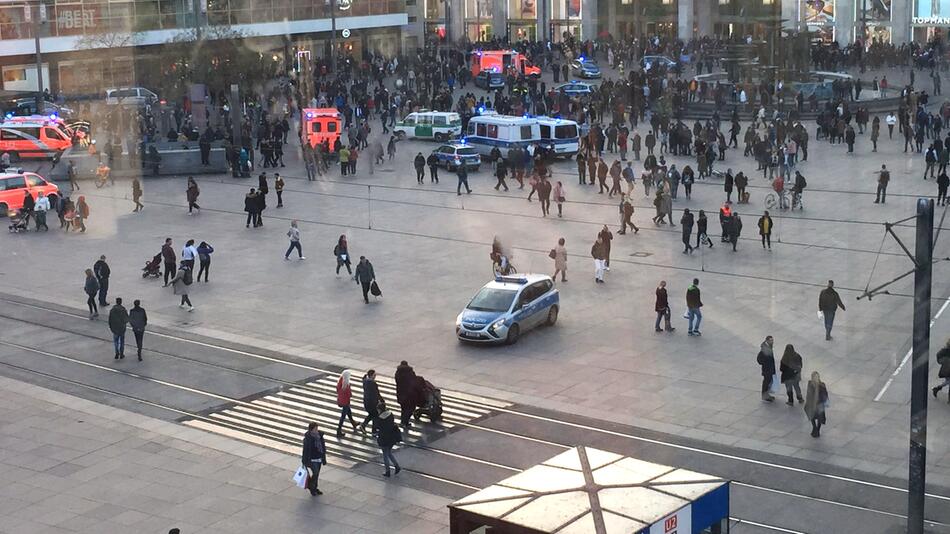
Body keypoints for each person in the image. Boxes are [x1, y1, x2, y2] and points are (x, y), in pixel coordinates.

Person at [301, 422, 327, 495]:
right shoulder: (308, 439)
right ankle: (311, 487)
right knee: (315, 473)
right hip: (312, 459)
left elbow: (323, 447)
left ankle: (314, 488)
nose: (316, 430)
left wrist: (323, 457)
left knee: (317, 474)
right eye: (315, 429)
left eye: (317, 428)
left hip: (319, 458)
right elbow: (305, 450)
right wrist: (304, 461)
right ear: (311, 430)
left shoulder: (320, 436)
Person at [376, 410, 402, 478]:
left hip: (384, 438)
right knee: (389, 452)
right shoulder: (390, 414)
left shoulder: (380, 419)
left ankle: (388, 471)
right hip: (392, 437)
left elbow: (378, 427)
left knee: (385, 455)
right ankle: (397, 466)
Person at [804, 372, 829, 437]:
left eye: (817, 377)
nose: (816, 378)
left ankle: (817, 429)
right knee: (812, 416)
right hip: (812, 404)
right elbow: (808, 393)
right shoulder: (810, 384)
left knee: (820, 418)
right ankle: (814, 427)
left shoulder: (822, 384)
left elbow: (825, 394)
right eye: (815, 377)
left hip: (819, 404)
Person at [335, 370, 359, 437]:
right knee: (343, 416)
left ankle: (353, 423)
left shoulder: (340, 380)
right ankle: (338, 430)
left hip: (340, 400)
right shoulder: (346, 384)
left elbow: (337, 389)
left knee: (349, 412)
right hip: (345, 401)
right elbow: (349, 394)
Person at [394, 360, 417, 429]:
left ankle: (404, 422)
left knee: (403, 409)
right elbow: (414, 381)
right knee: (411, 408)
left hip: (400, 393)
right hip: (409, 394)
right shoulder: (410, 373)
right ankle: (404, 422)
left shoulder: (397, 373)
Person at [359, 369, 381, 434]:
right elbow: (377, 394)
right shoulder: (373, 383)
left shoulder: (365, 381)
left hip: (367, 402)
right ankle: (374, 431)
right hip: (372, 402)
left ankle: (363, 425)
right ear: (371, 375)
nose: (375, 376)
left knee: (372, 415)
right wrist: (381, 401)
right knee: (375, 415)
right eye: (374, 375)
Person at [757, 336, 776, 402]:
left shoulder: (769, 347)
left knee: (769, 381)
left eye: (772, 340)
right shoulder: (764, 349)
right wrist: (765, 363)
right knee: (766, 382)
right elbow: (759, 359)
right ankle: (765, 396)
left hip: (770, 368)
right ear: (767, 340)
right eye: (771, 340)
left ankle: (767, 395)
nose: (772, 341)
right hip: (767, 370)